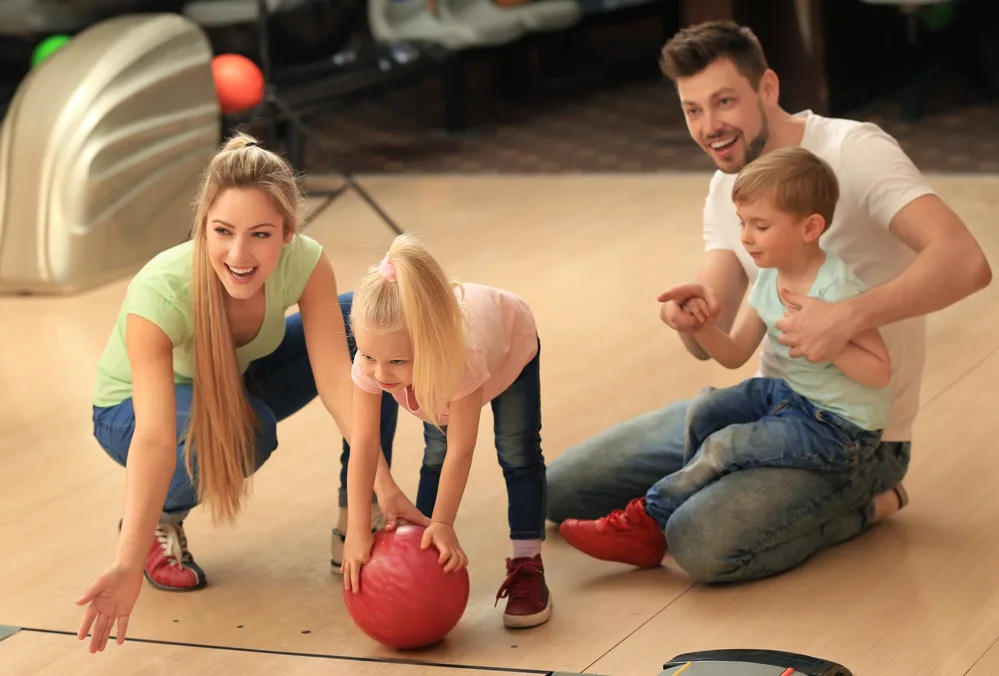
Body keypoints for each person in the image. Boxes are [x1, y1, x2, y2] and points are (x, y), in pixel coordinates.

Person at [546, 20, 991, 583]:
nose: (711, 128)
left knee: (699, 544)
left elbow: (966, 263)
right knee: (557, 492)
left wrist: (848, 317)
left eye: (725, 101)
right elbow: (717, 336)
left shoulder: (855, 151)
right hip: (770, 407)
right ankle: (695, 488)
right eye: (693, 110)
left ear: (769, 89)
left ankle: (868, 503)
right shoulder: (726, 187)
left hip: (856, 435)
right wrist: (689, 316)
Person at [75, 133, 419, 654]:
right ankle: (155, 521)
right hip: (129, 413)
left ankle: (360, 514)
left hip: (232, 382)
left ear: (287, 232)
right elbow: (154, 438)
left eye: (260, 234)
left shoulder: (305, 262)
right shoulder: (160, 289)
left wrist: (384, 484)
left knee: (368, 333)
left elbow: (336, 380)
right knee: (248, 429)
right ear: (203, 227)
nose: (238, 254)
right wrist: (124, 563)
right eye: (222, 232)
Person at [559, 146, 896, 567]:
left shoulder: (837, 288)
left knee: (726, 444)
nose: (746, 237)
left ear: (810, 227)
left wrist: (835, 343)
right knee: (707, 406)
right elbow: (735, 353)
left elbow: (880, 371)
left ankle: (650, 522)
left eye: (761, 225)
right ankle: (685, 500)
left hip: (843, 429)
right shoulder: (770, 277)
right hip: (791, 400)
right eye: (742, 223)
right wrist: (699, 327)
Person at [339, 232, 552, 629]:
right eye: (368, 356)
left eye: (397, 362)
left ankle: (528, 561)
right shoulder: (375, 355)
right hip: (437, 375)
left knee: (517, 452)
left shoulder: (460, 358)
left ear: (429, 346)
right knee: (432, 454)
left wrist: (445, 523)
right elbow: (365, 443)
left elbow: (462, 450)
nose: (380, 374)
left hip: (511, 347)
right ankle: (419, 548)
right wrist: (355, 529)